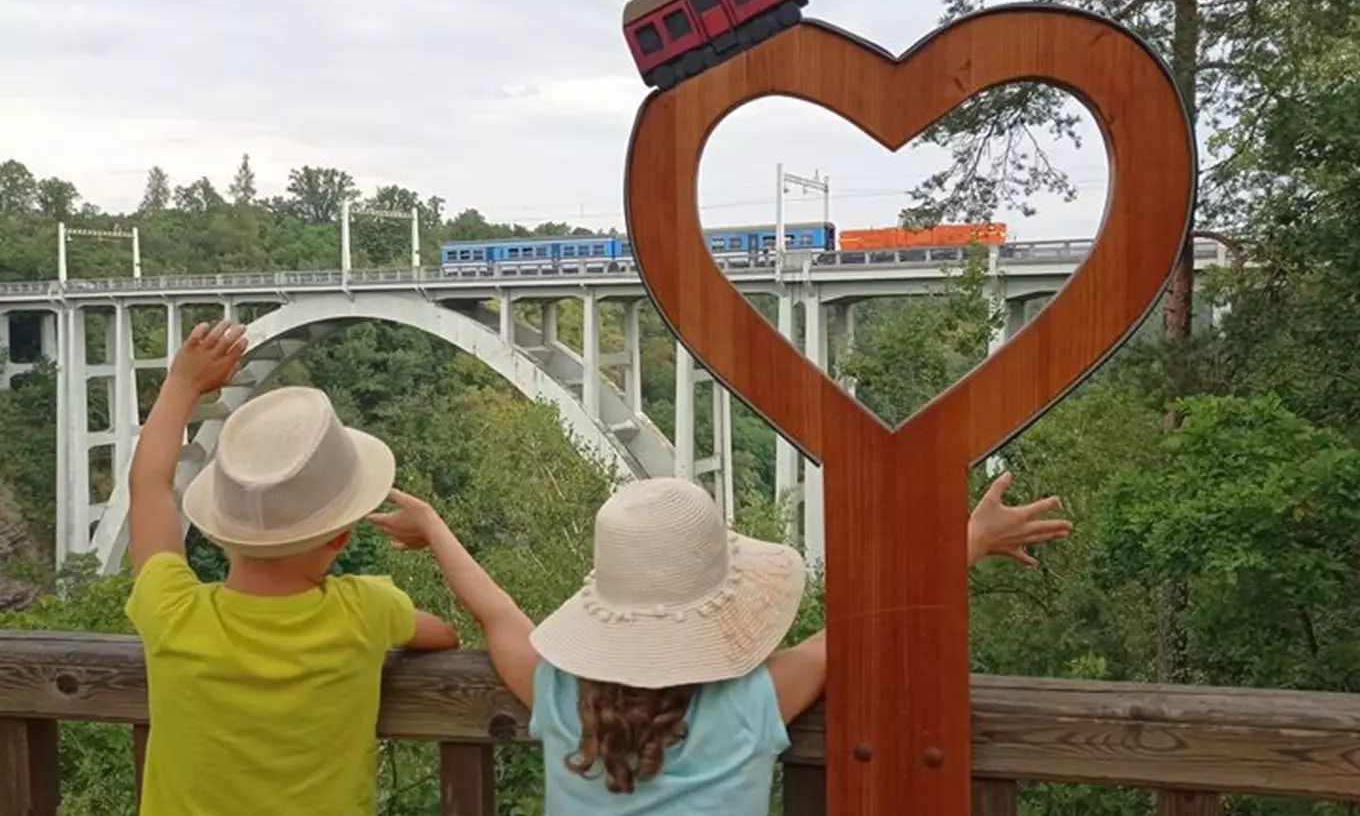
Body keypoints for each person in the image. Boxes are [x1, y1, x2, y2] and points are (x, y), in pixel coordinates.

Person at [370, 470, 1069, 815]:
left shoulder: (560, 696)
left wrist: (435, 530)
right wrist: (969, 542)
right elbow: (871, 623)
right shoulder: (752, 704)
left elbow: (497, 616)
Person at [124, 319, 460, 816]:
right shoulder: (366, 610)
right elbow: (444, 636)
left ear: (221, 531)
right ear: (342, 535)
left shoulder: (171, 612)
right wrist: (432, 531)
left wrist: (182, 383)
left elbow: (148, 486)